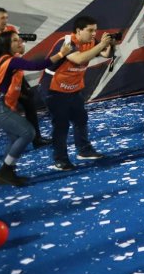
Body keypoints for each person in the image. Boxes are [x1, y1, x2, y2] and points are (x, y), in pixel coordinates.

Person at [0, 32, 72, 186]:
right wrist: (61, 54)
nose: (19, 42)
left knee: (14, 139)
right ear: (6, 45)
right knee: (28, 133)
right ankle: (5, 170)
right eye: (14, 40)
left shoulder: (2, 60)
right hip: (1, 107)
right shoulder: (11, 61)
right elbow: (37, 66)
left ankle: (8, 173)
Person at [0, 7, 49, 161]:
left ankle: (36, 138)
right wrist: (2, 46)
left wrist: (19, 45)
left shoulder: (11, 30)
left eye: (6, 18)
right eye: (2, 18)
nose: (6, 21)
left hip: (14, 73)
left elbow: (20, 51)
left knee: (29, 102)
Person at [42, 17, 115, 171]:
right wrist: (101, 44)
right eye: (90, 30)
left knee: (81, 119)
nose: (94, 33)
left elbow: (106, 54)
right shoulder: (67, 42)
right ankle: (60, 159)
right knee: (61, 125)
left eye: (95, 30)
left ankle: (84, 150)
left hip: (74, 88)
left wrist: (110, 45)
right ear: (78, 31)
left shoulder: (91, 42)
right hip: (54, 88)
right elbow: (79, 59)